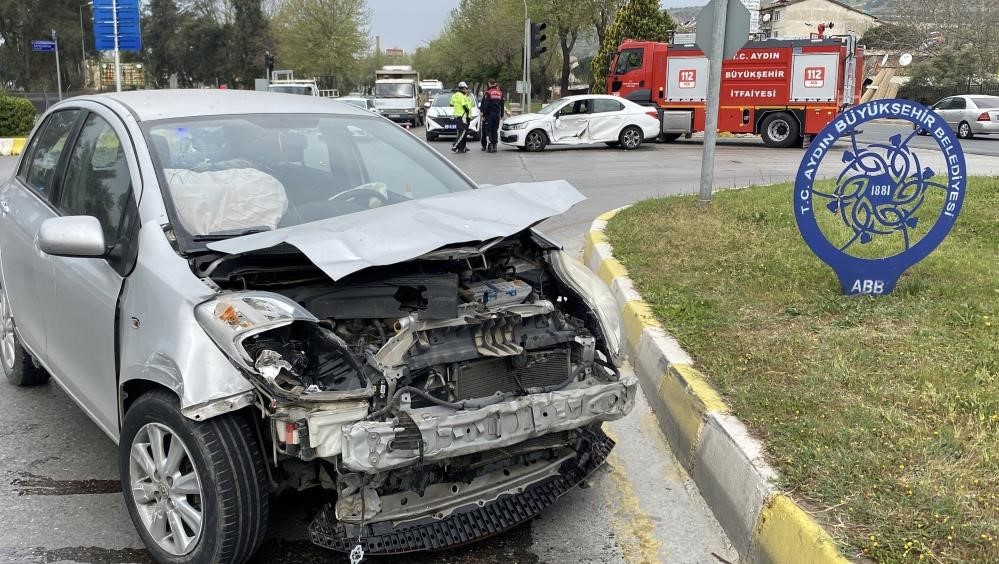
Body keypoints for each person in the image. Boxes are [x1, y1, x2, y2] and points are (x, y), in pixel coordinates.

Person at [480, 78, 504, 152]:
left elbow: (485, 105)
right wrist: (502, 114)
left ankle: (490, 146)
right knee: (495, 130)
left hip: (489, 114)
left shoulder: (488, 93)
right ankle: (495, 146)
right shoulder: (500, 93)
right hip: (497, 114)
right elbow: (502, 105)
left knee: (488, 130)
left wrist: (483, 114)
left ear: (489, 83)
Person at [449, 82, 474, 153]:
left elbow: (451, 104)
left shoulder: (455, 95)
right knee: (463, 132)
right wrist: (467, 111)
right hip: (463, 116)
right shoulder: (461, 96)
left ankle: (462, 147)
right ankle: (455, 145)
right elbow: (464, 106)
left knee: (462, 132)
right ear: (463, 89)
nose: (467, 90)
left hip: (457, 115)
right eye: (466, 88)